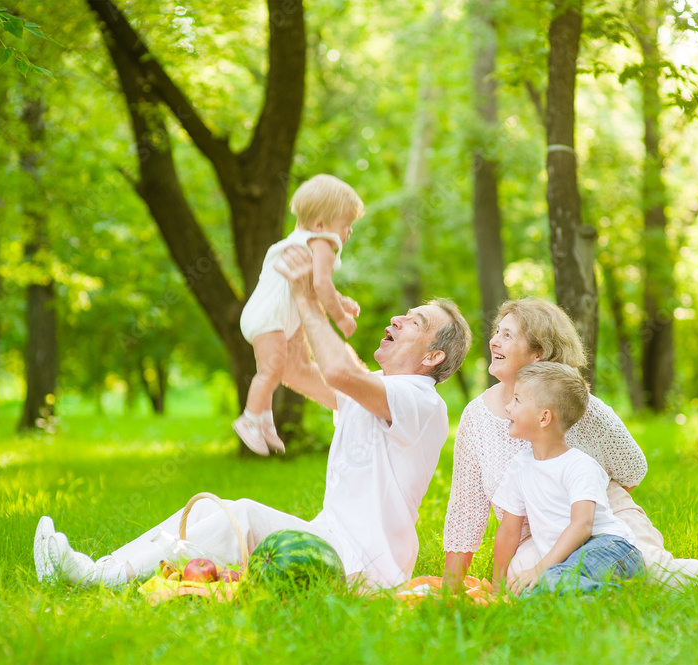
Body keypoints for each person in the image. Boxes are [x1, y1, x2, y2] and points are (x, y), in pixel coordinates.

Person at [34, 246, 472, 589]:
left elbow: (339, 370)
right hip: (334, 543)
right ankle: (100, 570)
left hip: (367, 567)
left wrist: (308, 296)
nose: (398, 317)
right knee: (228, 510)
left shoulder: (421, 401)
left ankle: (99, 578)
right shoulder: (378, 389)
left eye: (415, 322)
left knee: (240, 516)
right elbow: (297, 370)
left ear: (433, 356)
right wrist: (280, 307)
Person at [444, 298, 698, 589]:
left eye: (507, 335)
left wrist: (587, 507)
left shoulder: (582, 406)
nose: (493, 342)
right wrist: (453, 586)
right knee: (524, 580)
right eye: (496, 333)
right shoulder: (476, 417)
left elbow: (632, 469)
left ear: (538, 353)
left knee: (653, 572)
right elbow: (466, 512)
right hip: (535, 534)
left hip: (600, 515)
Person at [234, 174, 365, 456]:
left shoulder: (297, 240)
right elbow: (319, 284)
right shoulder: (323, 243)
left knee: (277, 369)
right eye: (347, 224)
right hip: (270, 318)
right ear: (321, 224)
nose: (349, 232)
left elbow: (318, 285)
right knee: (270, 370)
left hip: (267, 315)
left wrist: (340, 301)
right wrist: (340, 318)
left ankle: (264, 422)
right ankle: (249, 419)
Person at [493, 363, 643, 596]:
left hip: (611, 548)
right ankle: (593, 598)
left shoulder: (579, 465)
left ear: (544, 418)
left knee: (551, 577)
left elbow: (582, 525)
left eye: (517, 400)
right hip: (566, 561)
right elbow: (508, 532)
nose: (507, 408)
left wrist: (539, 569)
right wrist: (497, 590)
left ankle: (613, 601)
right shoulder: (520, 466)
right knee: (526, 592)